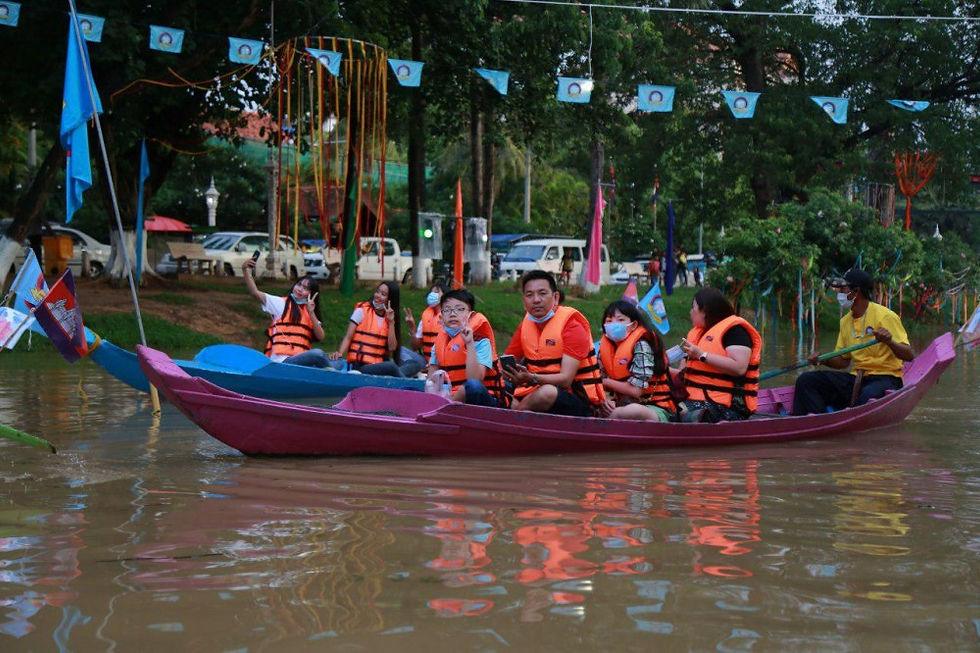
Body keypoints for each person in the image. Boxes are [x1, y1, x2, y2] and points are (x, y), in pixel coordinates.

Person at [791, 269, 915, 415]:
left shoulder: (885, 316)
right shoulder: (845, 321)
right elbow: (843, 361)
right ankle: (815, 419)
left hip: (886, 378)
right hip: (857, 378)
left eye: (843, 289)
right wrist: (822, 359)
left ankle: (843, 418)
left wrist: (889, 342)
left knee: (867, 396)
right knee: (806, 380)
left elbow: (909, 355)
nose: (840, 294)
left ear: (856, 292)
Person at [501, 270, 606, 416]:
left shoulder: (572, 326)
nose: (536, 300)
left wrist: (532, 378)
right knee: (494, 387)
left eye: (542, 293)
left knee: (547, 392)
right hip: (531, 391)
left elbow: (566, 380)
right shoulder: (525, 325)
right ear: (524, 300)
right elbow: (505, 363)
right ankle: (514, 412)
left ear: (555, 297)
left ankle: (512, 417)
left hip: (576, 399)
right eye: (529, 295)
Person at [678, 287, 762, 422]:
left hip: (727, 407)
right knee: (662, 403)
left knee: (676, 412)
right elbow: (682, 374)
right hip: (693, 399)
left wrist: (702, 355)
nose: (690, 312)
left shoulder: (735, 331)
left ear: (705, 312)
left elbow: (739, 368)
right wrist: (661, 367)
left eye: (693, 308)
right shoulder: (696, 334)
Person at [596, 299, 676, 422]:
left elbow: (635, 391)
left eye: (620, 320)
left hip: (654, 407)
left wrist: (605, 382)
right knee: (595, 406)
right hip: (621, 403)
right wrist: (605, 401)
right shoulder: (605, 347)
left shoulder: (642, 345)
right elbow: (596, 382)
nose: (614, 324)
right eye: (609, 320)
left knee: (632, 411)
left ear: (633, 325)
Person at [428, 289, 509, 407]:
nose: (452, 314)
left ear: (471, 315)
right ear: (441, 316)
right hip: (450, 397)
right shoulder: (439, 343)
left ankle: (448, 407)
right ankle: (447, 407)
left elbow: (475, 380)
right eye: (447, 310)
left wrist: (469, 343)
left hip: (483, 400)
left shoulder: (481, 341)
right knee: (409, 389)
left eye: (460, 309)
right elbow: (431, 381)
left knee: (472, 387)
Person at [241, 258, 328, 367]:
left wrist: (311, 313)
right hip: (283, 361)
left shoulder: (309, 311)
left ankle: (330, 371)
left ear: (312, 294)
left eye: (305, 288)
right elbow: (255, 293)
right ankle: (330, 371)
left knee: (337, 360)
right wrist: (245, 270)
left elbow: (320, 336)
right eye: (299, 285)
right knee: (318, 354)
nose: (300, 289)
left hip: (303, 363)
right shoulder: (281, 304)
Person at [328, 281, 425, 377]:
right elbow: (348, 337)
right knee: (390, 366)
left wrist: (391, 323)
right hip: (361, 366)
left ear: (389, 299)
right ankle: (401, 381)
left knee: (415, 364)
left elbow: (392, 347)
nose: (378, 296)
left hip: (379, 365)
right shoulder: (361, 311)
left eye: (383, 294)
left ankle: (396, 375)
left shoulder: (389, 319)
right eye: (377, 292)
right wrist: (340, 353)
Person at [404, 282, 447, 362]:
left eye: (436, 292)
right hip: (426, 361)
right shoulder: (426, 317)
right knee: (401, 351)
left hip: (444, 363)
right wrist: (412, 329)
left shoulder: (451, 316)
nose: (432, 294)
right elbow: (415, 347)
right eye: (431, 292)